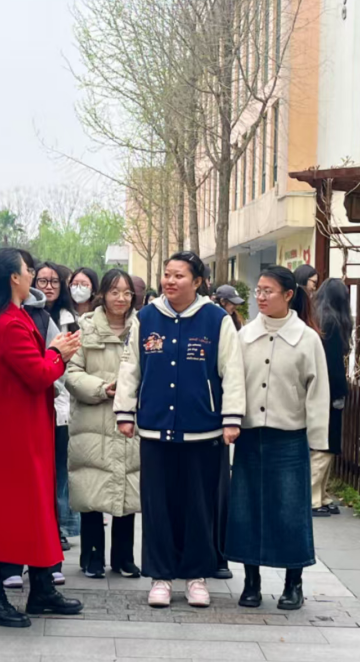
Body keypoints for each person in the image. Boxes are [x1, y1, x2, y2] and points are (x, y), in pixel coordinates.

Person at [115, 251, 246, 609]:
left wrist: (231, 418)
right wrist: (125, 411)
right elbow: (130, 367)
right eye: (167, 275)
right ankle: (160, 577)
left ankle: (196, 577)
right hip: (155, 428)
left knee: (199, 507)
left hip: (203, 429)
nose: (170, 282)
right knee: (157, 505)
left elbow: (232, 371)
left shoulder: (216, 319)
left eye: (179, 276)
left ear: (198, 282)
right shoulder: (146, 317)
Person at [0, 248, 84, 628]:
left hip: (27, 429)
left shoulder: (16, 316)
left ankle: (41, 588)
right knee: (7, 515)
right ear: (13, 278)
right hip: (16, 436)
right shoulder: (9, 323)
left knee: (38, 511)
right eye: (27, 270)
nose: (32, 275)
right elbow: (38, 375)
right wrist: (58, 353)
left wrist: (54, 354)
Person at [226, 266, 330, 612]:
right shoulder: (244, 336)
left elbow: (318, 392)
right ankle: (251, 582)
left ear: (288, 295)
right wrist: (232, 421)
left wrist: (317, 441)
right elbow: (233, 383)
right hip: (249, 435)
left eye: (268, 291)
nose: (260, 297)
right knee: (246, 510)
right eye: (258, 290)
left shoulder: (307, 339)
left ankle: (293, 583)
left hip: (289, 438)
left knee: (290, 511)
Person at [67, 268, 141, 579]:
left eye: (126, 292)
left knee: (126, 488)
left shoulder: (142, 329)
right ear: (103, 295)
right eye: (114, 292)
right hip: (92, 420)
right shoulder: (85, 329)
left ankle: (124, 558)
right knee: (92, 490)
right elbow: (71, 373)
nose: (121, 298)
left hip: (130, 420)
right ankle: (91, 557)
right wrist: (102, 388)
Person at [35, 261, 81, 550]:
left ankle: (61, 525)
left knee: (61, 469)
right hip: (36, 398)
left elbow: (75, 361)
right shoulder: (27, 316)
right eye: (42, 281)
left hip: (61, 402)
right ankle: (43, 525)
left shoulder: (70, 319)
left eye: (54, 281)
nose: (48, 287)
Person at [310, 278, 351, 517]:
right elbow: (334, 364)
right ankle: (313, 498)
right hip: (328, 392)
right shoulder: (332, 323)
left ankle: (321, 494)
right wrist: (339, 392)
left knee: (322, 444)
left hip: (315, 389)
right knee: (325, 445)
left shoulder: (317, 318)